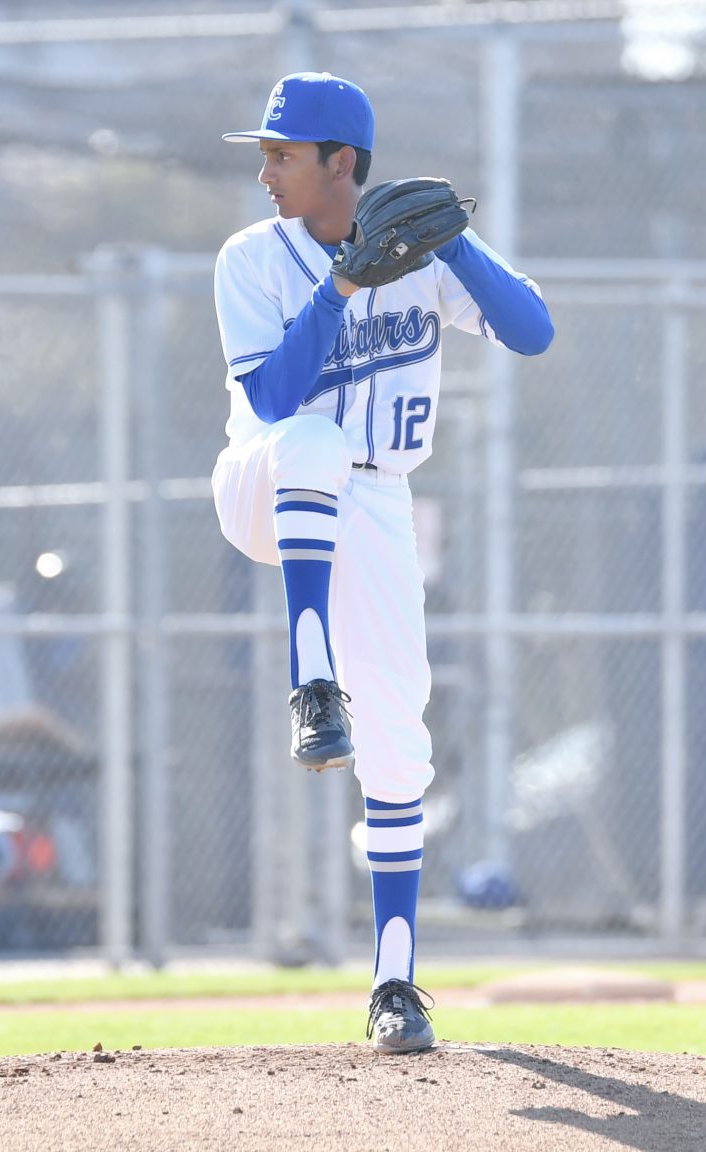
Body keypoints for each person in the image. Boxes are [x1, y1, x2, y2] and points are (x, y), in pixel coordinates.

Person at [212, 71, 554, 1052]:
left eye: (282, 156)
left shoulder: (424, 250)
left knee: (400, 732)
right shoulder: (251, 258)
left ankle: (394, 985)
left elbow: (533, 331)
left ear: (341, 165)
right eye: (266, 154)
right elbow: (276, 403)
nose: (267, 173)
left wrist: (458, 247)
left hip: (379, 500)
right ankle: (312, 681)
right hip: (265, 481)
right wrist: (345, 283)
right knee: (315, 440)